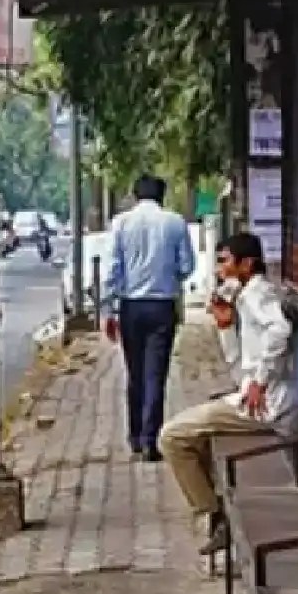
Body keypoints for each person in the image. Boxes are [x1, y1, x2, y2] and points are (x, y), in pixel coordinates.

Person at [156, 233, 298, 554]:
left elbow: (280, 330)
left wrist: (260, 381)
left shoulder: (258, 294)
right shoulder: (246, 297)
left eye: (225, 261)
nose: (220, 269)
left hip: (267, 406)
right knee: (195, 434)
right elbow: (240, 369)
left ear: (246, 264)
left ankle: (214, 512)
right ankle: (216, 509)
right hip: (252, 399)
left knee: (171, 437)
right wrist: (225, 327)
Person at [103, 174, 196, 460]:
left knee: (135, 373)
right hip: (162, 306)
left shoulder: (120, 223)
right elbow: (187, 266)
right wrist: (168, 275)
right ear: (162, 195)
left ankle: (134, 437)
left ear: (134, 195)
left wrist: (109, 310)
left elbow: (112, 269)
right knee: (156, 374)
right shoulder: (175, 223)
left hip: (130, 306)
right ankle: (150, 440)